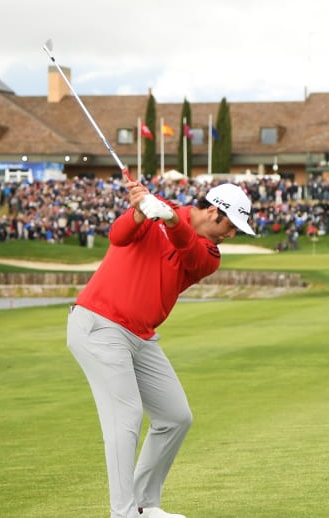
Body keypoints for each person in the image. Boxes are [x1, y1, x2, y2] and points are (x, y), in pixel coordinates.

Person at [66, 181, 255, 518]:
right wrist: (139, 212)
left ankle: (143, 504)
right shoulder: (155, 210)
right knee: (126, 416)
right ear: (214, 210)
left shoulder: (209, 255)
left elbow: (187, 248)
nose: (232, 235)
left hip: (140, 335)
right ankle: (122, 514)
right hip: (99, 324)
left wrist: (168, 218)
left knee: (175, 417)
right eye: (230, 226)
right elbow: (118, 236)